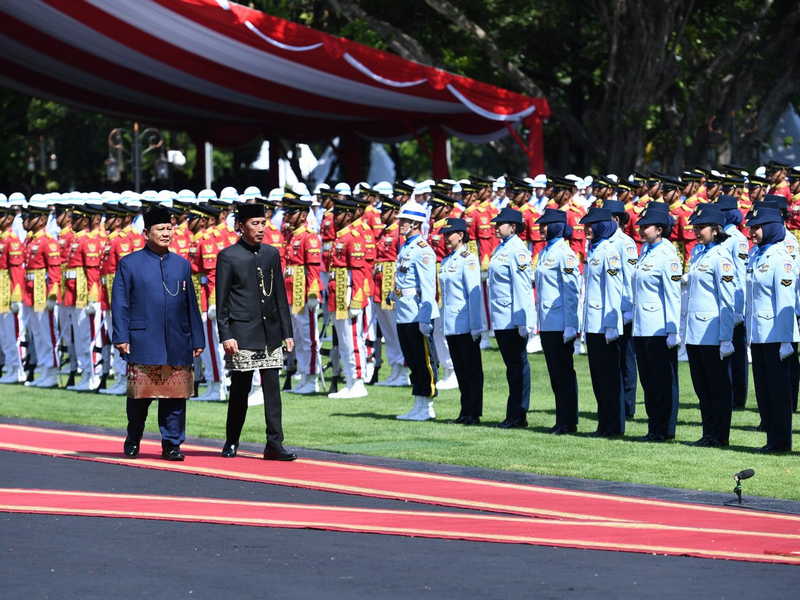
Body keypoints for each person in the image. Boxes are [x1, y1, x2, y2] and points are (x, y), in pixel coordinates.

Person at [111, 206, 205, 461]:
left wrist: (198, 337)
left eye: (169, 228)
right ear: (146, 233)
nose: (166, 233)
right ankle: (134, 437)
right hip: (143, 338)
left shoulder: (181, 264)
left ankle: (172, 444)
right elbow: (120, 303)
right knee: (140, 398)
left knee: (175, 397)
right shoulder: (129, 263)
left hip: (178, 339)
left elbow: (191, 304)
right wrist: (121, 337)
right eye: (160, 229)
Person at [216, 203, 295, 460]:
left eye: (263, 223)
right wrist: (226, 334)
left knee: (273, 391)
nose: (261, 229)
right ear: (241, 226)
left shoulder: (271, 254)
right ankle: (231, 441)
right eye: (255, 224)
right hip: (242, 333)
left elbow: (280, 297)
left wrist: (287, 331)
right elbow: (222, 301)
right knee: (240, 390)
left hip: (270, 332)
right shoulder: (228, 256)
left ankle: (275, 443)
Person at [745, 206, 798, 453]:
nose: (752, 232)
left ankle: (781, 442)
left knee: (778, 392)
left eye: (756, 227)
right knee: (764, 390)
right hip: (759, 333)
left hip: (777, 335)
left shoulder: (781, 258)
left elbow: (785, 301)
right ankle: (772, 439)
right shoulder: (757, 254)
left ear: (770, 228)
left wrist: (786, 339)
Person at [684, 205, 736, 447]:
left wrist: (726, 337)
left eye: (701, 227)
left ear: (716, 229)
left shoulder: (721, 257)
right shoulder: (698, 253)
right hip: (696, 332)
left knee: (717, 387)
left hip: (713, 332)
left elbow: (727, 299)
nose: (697, 230)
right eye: (695, 226)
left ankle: (720, 435)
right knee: (702, 387)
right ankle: (708, 433)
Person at [631, 203, 681, 442]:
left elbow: (672, 294)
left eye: (646, 226)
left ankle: (665, 429)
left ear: (659, 229)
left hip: (659, 327)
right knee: (648, 380)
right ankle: (653, 427)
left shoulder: (667, 254)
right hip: (642, 326)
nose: (641, 230)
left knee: (663, 380)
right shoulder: (646, 251)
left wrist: (672, 328)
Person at [580, 206, 625, 437]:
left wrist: (612, 324)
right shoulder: (594, 249)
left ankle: (614, 426)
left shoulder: (608, 251)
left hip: (605, 323)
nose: (586, 229)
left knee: (609, 379)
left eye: (590, 225)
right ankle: (603, 424)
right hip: (592, 323)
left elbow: (614, 290)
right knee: (598, 378)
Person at [534, 208, 580, 434]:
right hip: (548, 321)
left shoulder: (565, 253)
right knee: (555, 374)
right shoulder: (545, 252)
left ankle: (568, 420)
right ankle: (561, 418)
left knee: (564, 373)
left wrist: (571, 324)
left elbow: (571, 291)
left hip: (561, 322)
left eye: (545, 225)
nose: (541, 228)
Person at [487, 207, 534, 428]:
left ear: (513, 227)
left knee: (517, 367)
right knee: (511, 368)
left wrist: (523, 320)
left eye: (501, 224)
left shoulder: (518, 249)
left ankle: (518, 414)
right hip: (501, 316)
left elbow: (523, 287)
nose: (496, 227)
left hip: (513, 318)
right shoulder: (502, 247)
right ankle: (513, 413)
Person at [394, 199, 440, 421]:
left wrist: (426, 317)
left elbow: (428, 287)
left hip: (415, 311)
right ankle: (418, 402)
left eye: (404, 221)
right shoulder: (406, 247)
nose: (400, 224)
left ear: (414, 224)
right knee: (412, 358)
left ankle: (427, 404)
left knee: (423, 360)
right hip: (403, 310)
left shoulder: (423, 250)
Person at [438, 218, 483, 425]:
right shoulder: (447, 261)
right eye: (445, 235)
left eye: (450, 234)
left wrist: (476, 325)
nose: (446, 238)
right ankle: (464, 410)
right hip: (451, 323)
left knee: (472, 369)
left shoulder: (468, 259)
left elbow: (473, 295)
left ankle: (474, 412)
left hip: (465, 323)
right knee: (461, 369)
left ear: (461, 235)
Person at [715, 194, 750, 410]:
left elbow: (739, 275)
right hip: (723, 303)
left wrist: (739, 308)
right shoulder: (722, 236)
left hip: (735, 302)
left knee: (737, 354)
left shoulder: (737, 239)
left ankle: (738, 397)